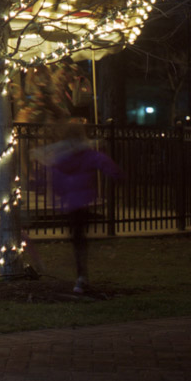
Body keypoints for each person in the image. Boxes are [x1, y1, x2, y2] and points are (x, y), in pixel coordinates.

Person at [40, 119, 122, 294]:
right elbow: (102, 161)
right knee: (81, 236)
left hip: (69, 203)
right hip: (84, 199)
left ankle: (81, 274)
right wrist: (116, 174)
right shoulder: (86, 153)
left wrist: (58, 194)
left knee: (77, 237)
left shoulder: (60, 156)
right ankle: (82, 274)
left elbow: (54, 177)